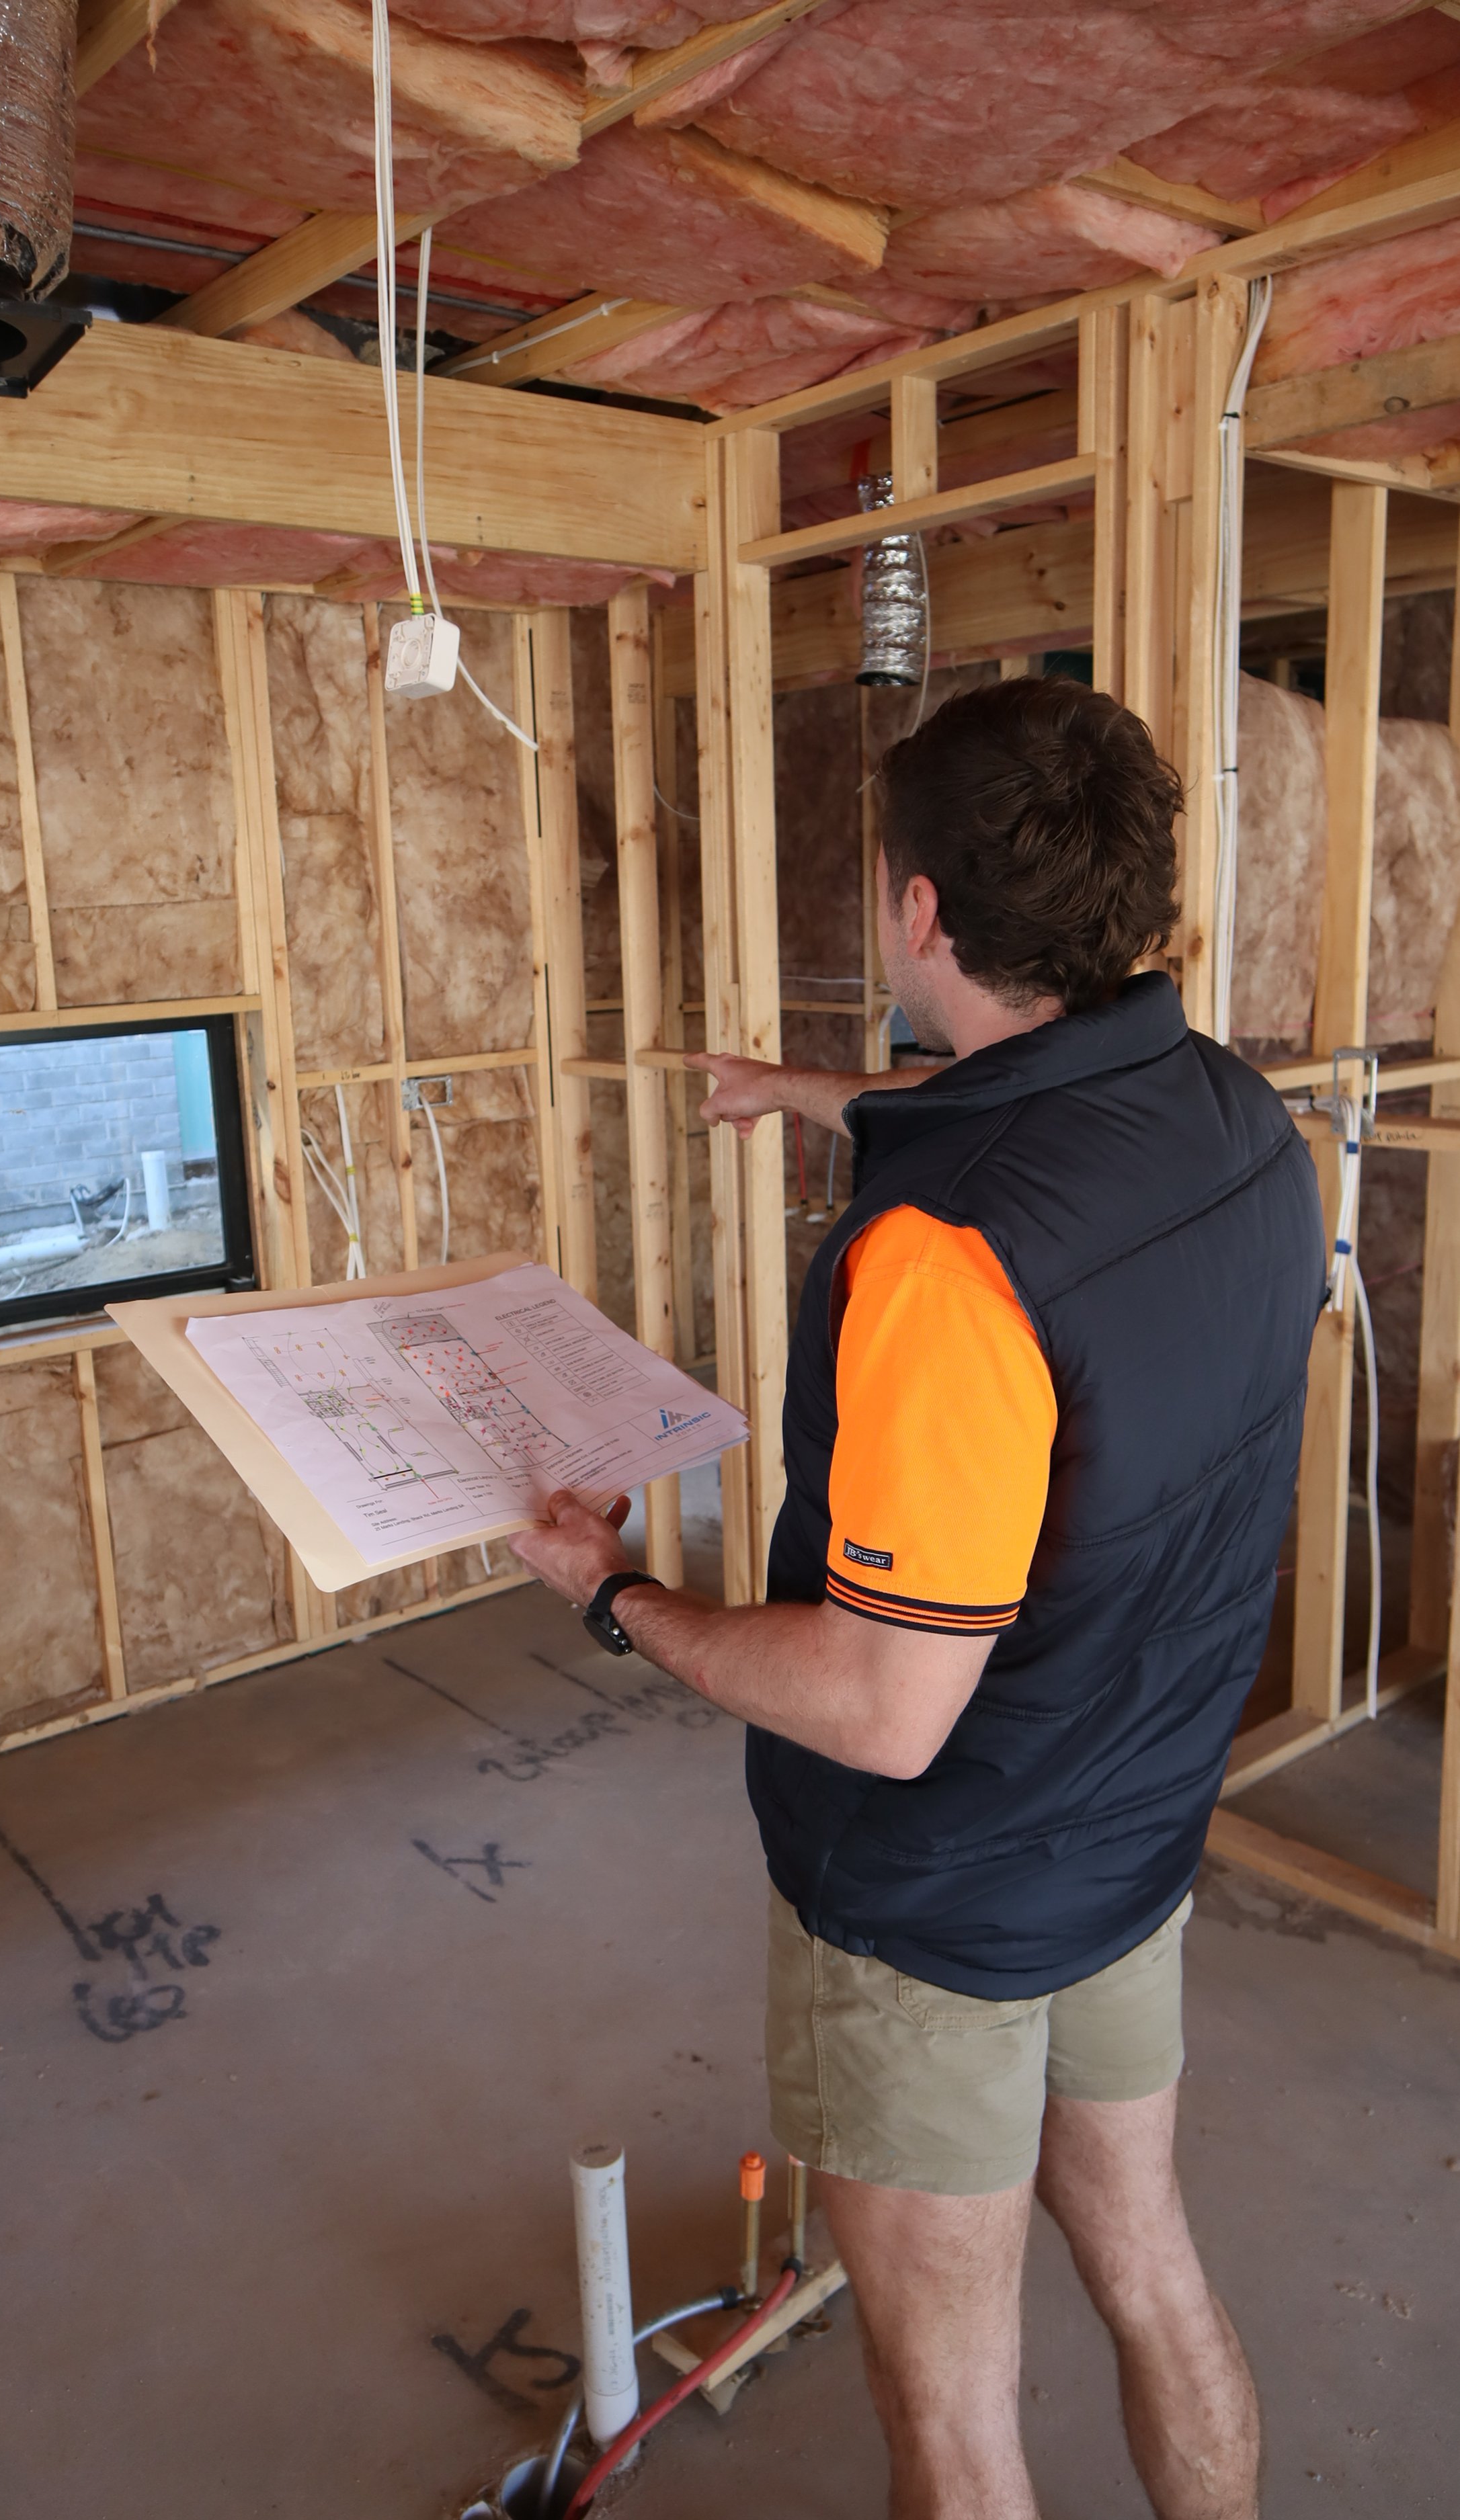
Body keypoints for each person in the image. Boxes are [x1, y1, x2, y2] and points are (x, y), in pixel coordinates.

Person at [511, 675, 1323, 2520]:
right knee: (1148, 2271)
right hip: (1130, 1842)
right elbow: (1010, 1106)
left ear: (920, 914)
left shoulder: (945, 1263)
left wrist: (614, 1591)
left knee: (951, 2425)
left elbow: (886, 1709)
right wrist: (799, 1094)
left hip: (941, 1903)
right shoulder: (1225, 1117)